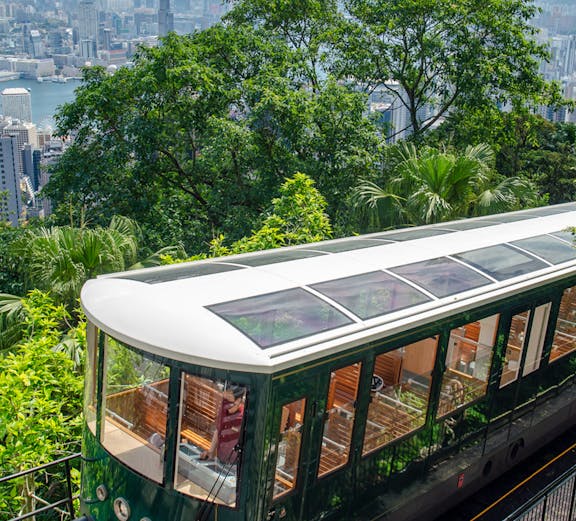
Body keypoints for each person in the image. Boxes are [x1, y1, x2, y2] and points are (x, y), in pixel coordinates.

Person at [200, 386, 245, 463]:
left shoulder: (243, 417)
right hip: (221, 459)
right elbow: (218, 430)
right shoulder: (224, 410)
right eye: (225, 398)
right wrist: (211, 452)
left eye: (229, 399)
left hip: (234, 465)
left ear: (238, 400)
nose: (225, 402)